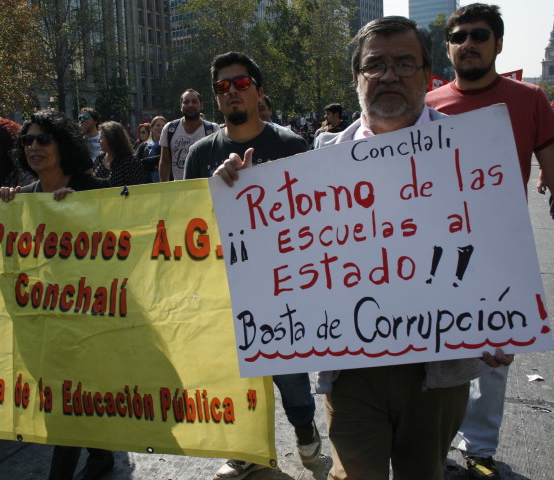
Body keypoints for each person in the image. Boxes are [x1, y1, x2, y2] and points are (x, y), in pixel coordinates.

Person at [215, 18, 511, 480]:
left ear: (428, 74)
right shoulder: (320, 161)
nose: (389, 75)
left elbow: (498, 253)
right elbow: (280, 257)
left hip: (440, 369)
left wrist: (506, 319)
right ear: (356, 78)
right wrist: (237, 192)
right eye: (375, 65)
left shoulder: (472, 150)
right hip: (352, 371)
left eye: (403, 63)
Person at [426, 4, 554, 479]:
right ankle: (433, 443)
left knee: (495, 358)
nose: (469, 43)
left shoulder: (530, 100)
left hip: (502, 254)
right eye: (459, 36)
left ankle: (480, 448)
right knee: (437, 351)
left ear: (498, 43)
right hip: (436, 254)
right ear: (448, 48)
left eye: (480, 35)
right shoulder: (429, 106)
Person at [184, 52, 319, 480]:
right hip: (225, 289)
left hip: (283, 290)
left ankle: (305, 432)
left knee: (292, 381)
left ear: (259, 91)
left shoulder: (290, 145)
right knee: (237, 378)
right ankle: (247, 450)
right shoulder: (201, 153)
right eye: (222, 87)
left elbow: (316, 217)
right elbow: (189, 223)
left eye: (240, 84)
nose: (232, 93)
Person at [0, 110, 111, 480]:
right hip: (42, 317)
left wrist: (80, 214)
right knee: (68, 395)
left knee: (65, 401)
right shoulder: (23, 198)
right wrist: (4, 213)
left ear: (63, 144)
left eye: (43, 139)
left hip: (88, 317)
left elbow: (121, 246)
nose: (34, 146)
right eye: (27, 140)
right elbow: (7, 254)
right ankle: (102, 453)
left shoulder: (92, 191)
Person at [158, 89, 219, 182]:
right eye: (186, 102)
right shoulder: (169, 129)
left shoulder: (213, 129)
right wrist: (164, 189)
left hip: (206, 189)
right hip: (179, 190)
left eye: (194, 102)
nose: (190, 105)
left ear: (201, 105)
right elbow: (165, 161)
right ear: (181, 106)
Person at [94, 121, 148, 187]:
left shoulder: (131, 163)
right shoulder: (99, 158)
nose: (98, 140)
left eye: (102, 137)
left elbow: (139, 188)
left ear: (112, 139)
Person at [135, 115, 166, 183]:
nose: (161, 128)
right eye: (158, 125)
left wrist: (146, 162)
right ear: (151, 128)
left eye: (163, 126)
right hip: (147, 185)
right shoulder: (143, 146)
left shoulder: (168, 145)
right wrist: (154, 164)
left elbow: (167, 159)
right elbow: (136, 163)